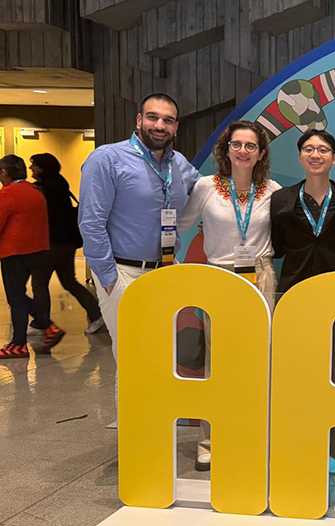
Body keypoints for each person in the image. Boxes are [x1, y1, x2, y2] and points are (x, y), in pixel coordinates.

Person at [178, 120, 281, 472]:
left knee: (257, 360)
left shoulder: (271, 189)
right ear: (226, 150)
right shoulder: (207, 187)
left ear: (261, 153)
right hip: (219, 278)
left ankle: (253, 432)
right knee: (215, 365)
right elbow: (178, 224)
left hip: (261, 277)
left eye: (250, 146)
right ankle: (209, 441)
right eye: (236, 144)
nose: (243, 151)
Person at [79, 93, 200, 372]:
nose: (160, 125)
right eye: (153, 117)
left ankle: (159, 417)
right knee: (134, 362)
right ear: (139, 120)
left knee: (164, 358)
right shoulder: (107, 159)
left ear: (176, 127)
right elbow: (91, 222)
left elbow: (208, 189)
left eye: (168, 120)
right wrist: (109, 279)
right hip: (123, 273)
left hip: (166, 272)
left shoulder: (178, 163)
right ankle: (131, 418)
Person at [269, 129, 335, 294]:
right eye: (308, 149)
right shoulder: (280, 199)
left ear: (334, 158)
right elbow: (277, 247)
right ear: (300, 157)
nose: (315, 155)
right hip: (293, 290)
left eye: (323, 150)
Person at [28, 153, 104, 335]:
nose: (31, 168)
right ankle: (96, 315)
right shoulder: (61, 183)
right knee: (70, 281)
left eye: (34, 165)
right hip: (67, 242)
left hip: (50, 243)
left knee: (39, 283)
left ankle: (41, 323)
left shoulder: (39, 189)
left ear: (42, 168)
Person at [0, 155, 66, 358]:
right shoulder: (34, 191)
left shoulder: (8, 193)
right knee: (19, 296)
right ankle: (49, 327)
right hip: (37, 251)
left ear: (4, 173)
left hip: (14, 252)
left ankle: (19, 344)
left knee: (16, 299)